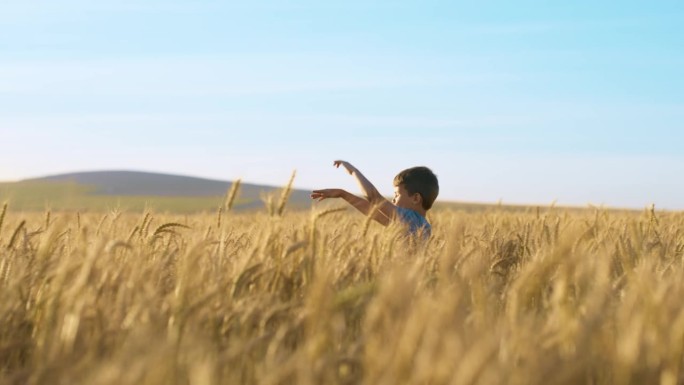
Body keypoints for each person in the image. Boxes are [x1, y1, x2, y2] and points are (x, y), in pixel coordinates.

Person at [311, 160, 439, 238]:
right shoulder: (421, 225)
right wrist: (343, 194)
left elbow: (374, 198)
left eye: (397, 195)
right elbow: (372, 211)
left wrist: (354, 171)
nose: (393, 200)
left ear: (416, 198)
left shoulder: (410, 219)